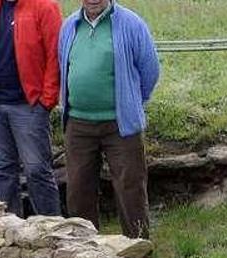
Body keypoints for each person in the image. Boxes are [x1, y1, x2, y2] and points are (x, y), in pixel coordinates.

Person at [59, 0, 159, 239]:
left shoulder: (131, 23)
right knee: (78, 190)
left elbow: (150, 70)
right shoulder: (69, 26)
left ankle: (138, 251)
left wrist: (132, 100)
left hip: (120, 124)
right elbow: (62, 66)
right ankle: (84, 252)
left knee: (130, 188)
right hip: (78, 122)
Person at [0, 0, 63, 217]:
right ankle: (10, 232)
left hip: (29, 105)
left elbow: (56, 55)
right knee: (3, 170)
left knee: (37, 170)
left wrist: (47, 100)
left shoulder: (45, 7)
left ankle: (52, 229)